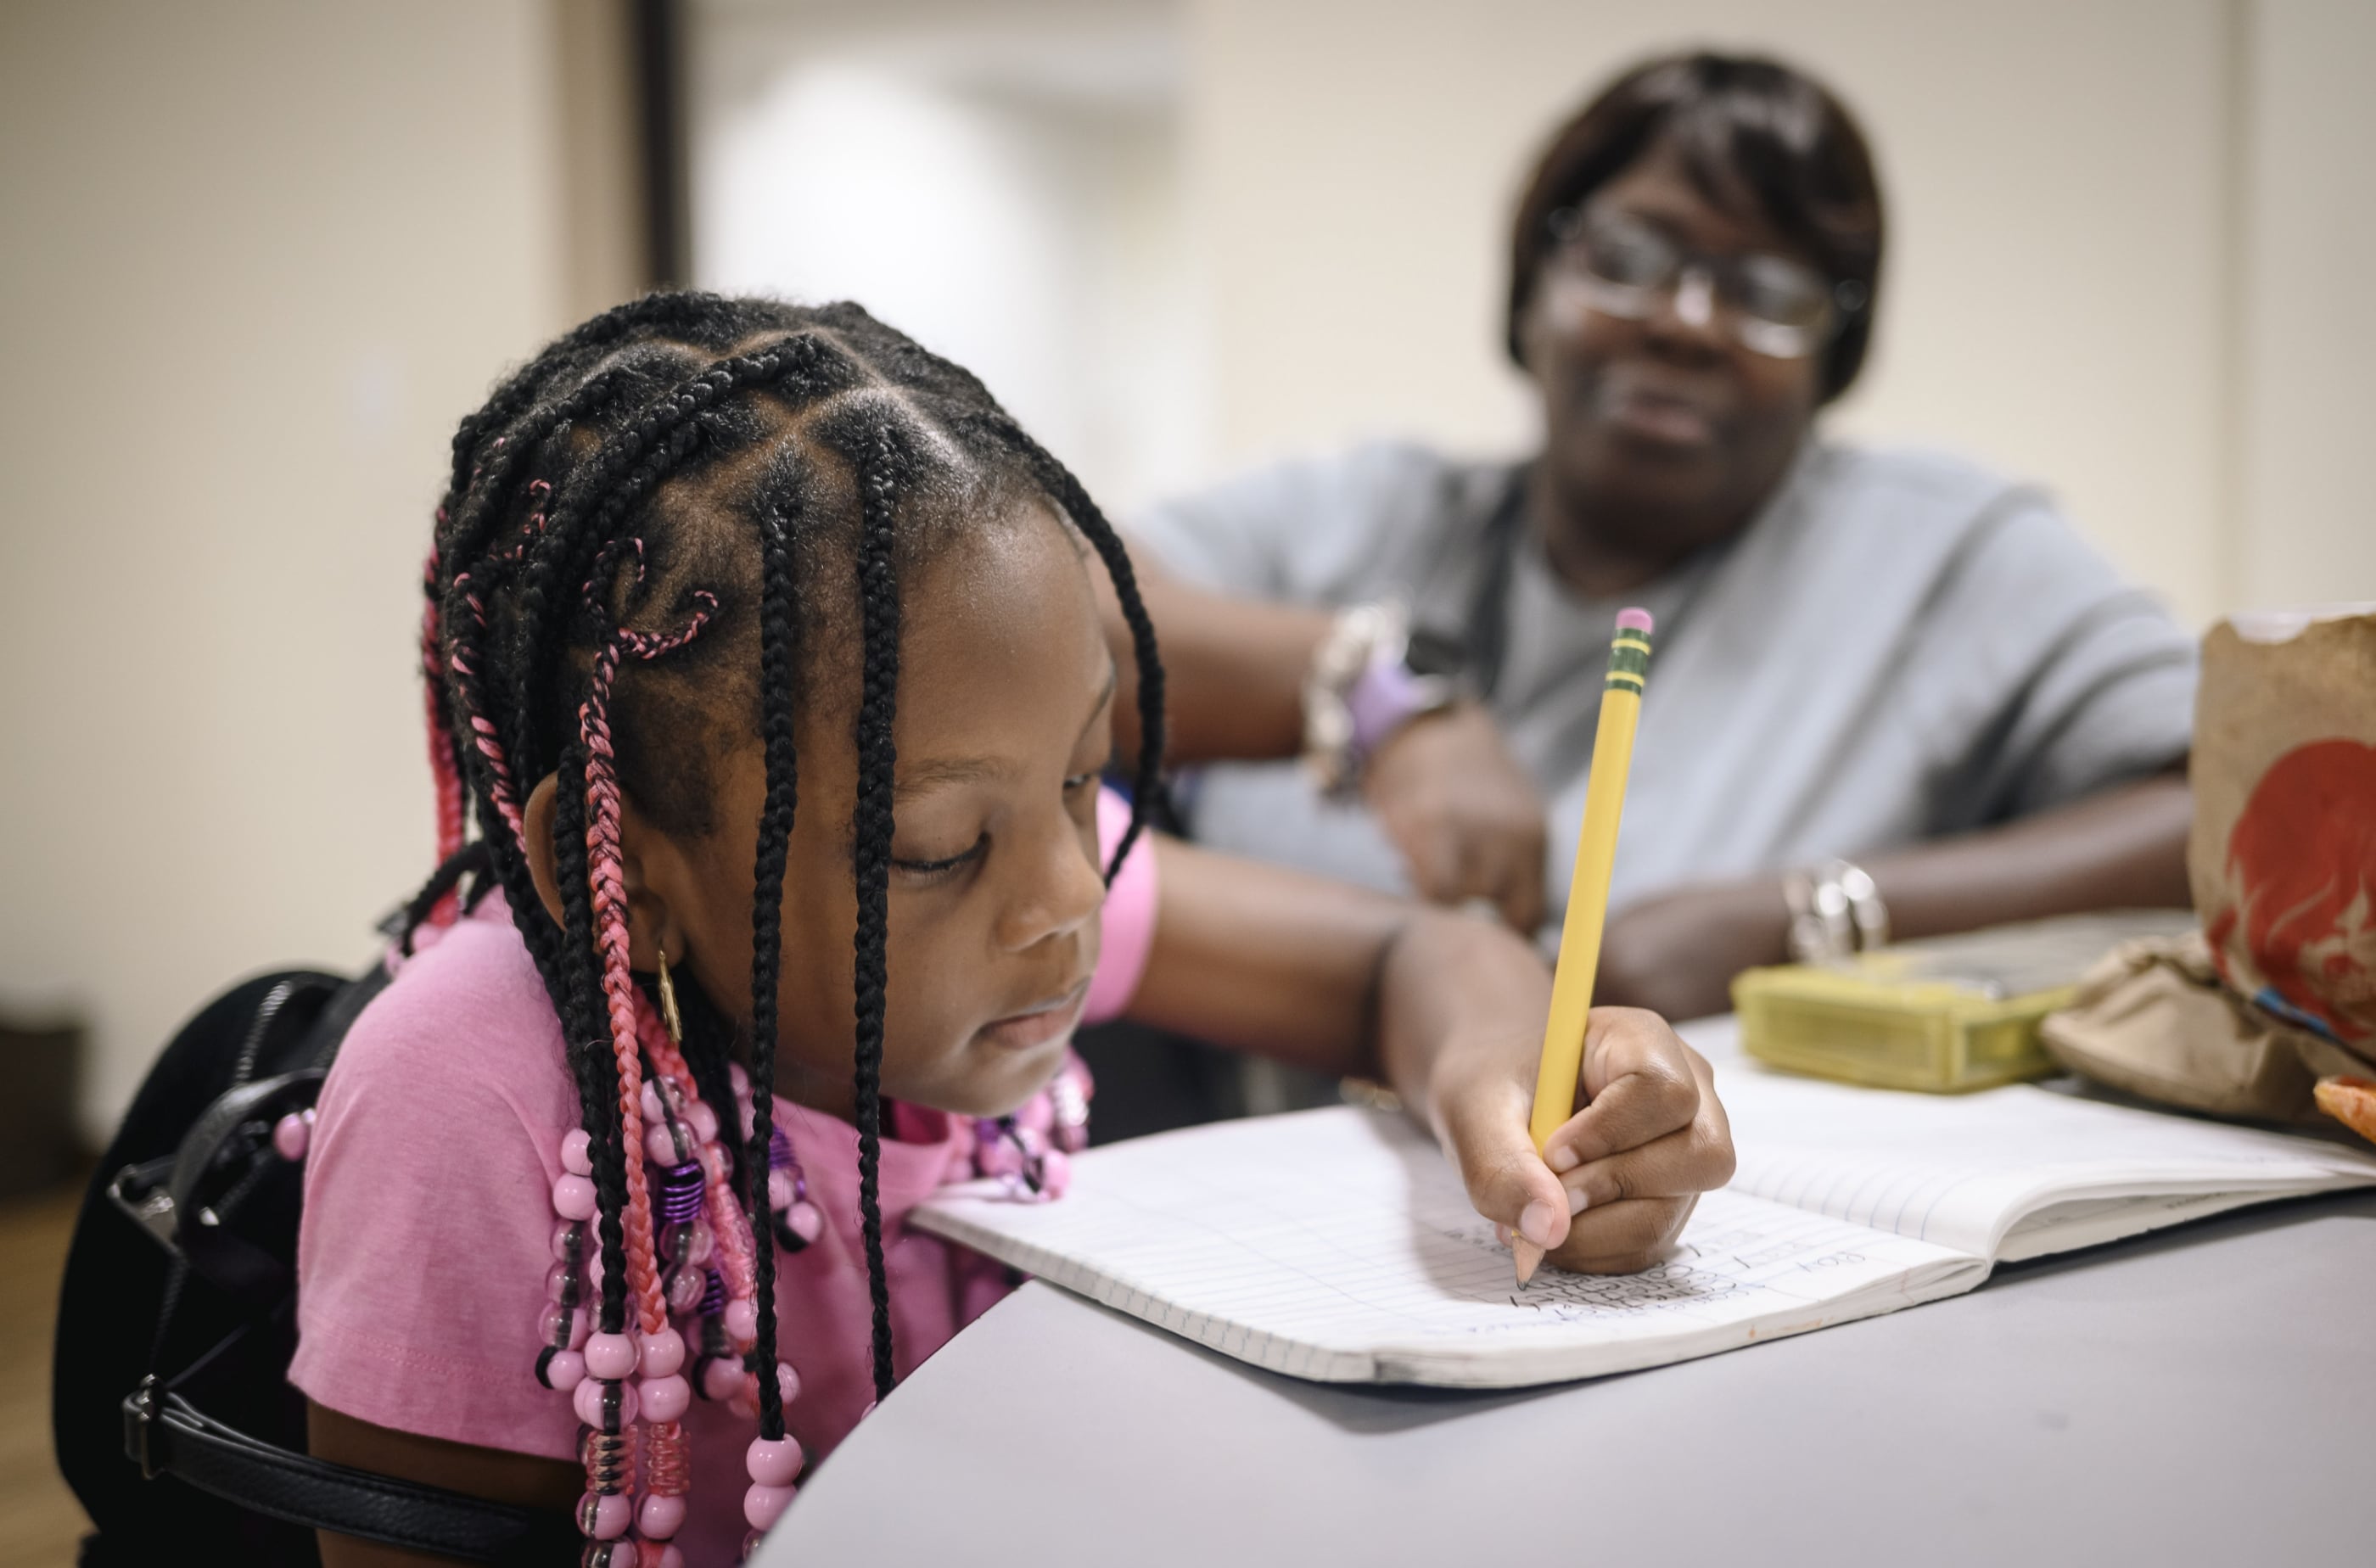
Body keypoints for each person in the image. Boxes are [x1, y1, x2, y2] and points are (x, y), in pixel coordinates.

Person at [290, 294, 1735, 1565]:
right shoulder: (466, 1089)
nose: (1068, 897)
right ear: (623, 867)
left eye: (1080, 776)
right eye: (941, 845)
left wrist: (1507, 1081)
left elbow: (1402, 959)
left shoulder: (1007, 904)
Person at [1107, 52, 2197, 1023]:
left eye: (1768, 291)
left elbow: (2248, 810)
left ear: (1836, 352)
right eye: (1627, 257)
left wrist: (1809, 916)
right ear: (1535, 283)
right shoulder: (1371, 508)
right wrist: (1372, 696)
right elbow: (1046, 624)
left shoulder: (1947, 559)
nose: (1683, 320)